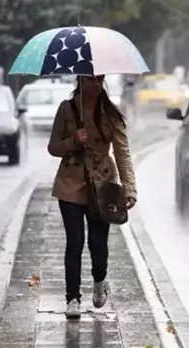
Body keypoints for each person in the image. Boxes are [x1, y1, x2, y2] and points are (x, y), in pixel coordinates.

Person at [47, 75, 137, 319]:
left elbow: (122, 152)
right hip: (71, 183)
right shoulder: (67, 109)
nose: (96, 85)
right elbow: (53, 147)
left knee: (98, 244)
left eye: (100, 80)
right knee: (74, 241)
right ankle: (72, 298)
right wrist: (73, 141)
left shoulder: (110, 111)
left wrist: (129, 187)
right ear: (80, 80)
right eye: (91, 80)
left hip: (102, 184)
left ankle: (100, 279)